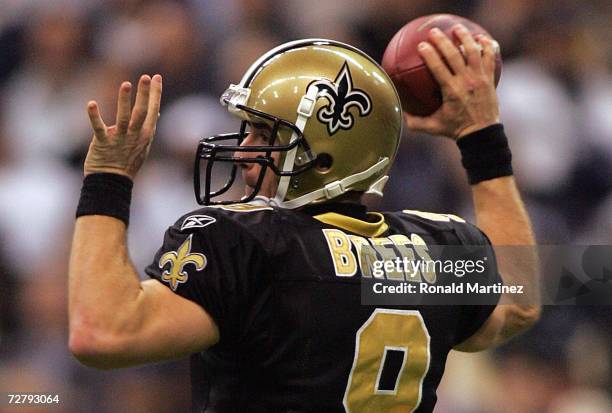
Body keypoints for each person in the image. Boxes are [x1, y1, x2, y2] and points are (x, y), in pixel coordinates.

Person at [69, 27, 540, 412]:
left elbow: (103, 333)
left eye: (266, 134)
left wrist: (107, 179)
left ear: (327, 160)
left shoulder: (247, 244)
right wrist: (481, 137)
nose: (246, 152)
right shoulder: (439, 247)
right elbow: (520, 303)